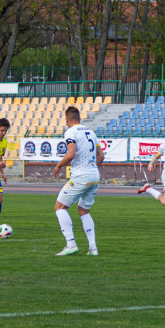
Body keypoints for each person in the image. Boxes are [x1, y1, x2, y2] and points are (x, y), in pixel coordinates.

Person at [52, 106, 105, 256]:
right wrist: (92, 167)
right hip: (94, 175)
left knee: (60, 207)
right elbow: (101, 156)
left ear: (67, 120)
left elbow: (71, 153)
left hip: (81, 176)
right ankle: (93, 248)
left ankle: (70, 244)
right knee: (83, 210)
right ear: (80, 119)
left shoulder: (71, 132)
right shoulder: (91, 132)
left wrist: (58, 166)